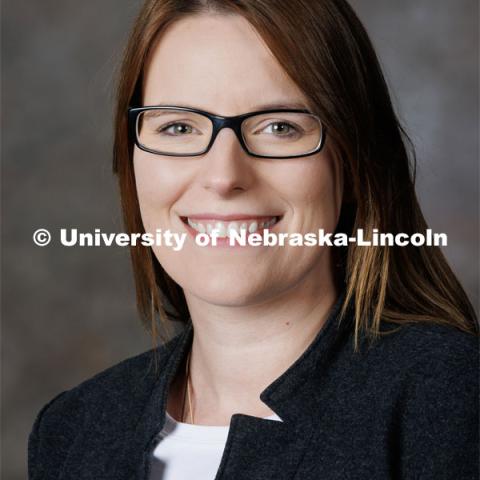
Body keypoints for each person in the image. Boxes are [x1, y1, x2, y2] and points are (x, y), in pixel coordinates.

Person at [28, 1, 479, 479]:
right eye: (178, 126)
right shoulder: (72, 430)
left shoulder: (451, 400)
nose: (224, 176)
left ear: (353, 160)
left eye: (279, 127)